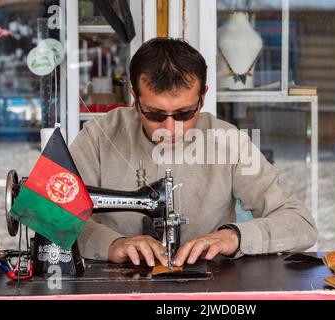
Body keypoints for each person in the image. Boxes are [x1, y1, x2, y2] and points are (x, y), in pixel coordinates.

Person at [69, 38, 317, 268]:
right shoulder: (99, 137)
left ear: (203, 97)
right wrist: (111, 244)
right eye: (155, 114)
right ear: (135, 98)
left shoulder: (229, 142)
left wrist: (235, 237)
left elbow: (300, 224)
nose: (169, 129)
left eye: (184, 114)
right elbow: (48, 215)